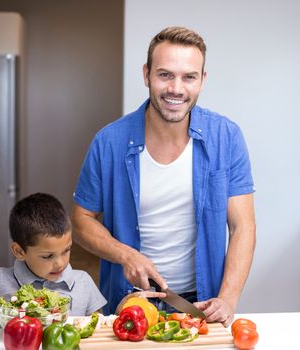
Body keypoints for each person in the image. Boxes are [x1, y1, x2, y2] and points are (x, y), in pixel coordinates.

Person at [72, 26, 256, 326]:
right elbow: (81, 220)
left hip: (202, 304)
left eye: (189, 77)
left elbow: (242, 227)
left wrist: (228, 298)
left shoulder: (227, 138)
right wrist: (125, 255)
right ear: (146, 75)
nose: (176, 88)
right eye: (165, 74)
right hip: (131, 302)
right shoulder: (109, 142)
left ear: (202, 80)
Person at [0, 193, 107, 327]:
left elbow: (98, 326)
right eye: (48, 256)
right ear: (19, 251)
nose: (60, 263)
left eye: (66, 250)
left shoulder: (83, 282)